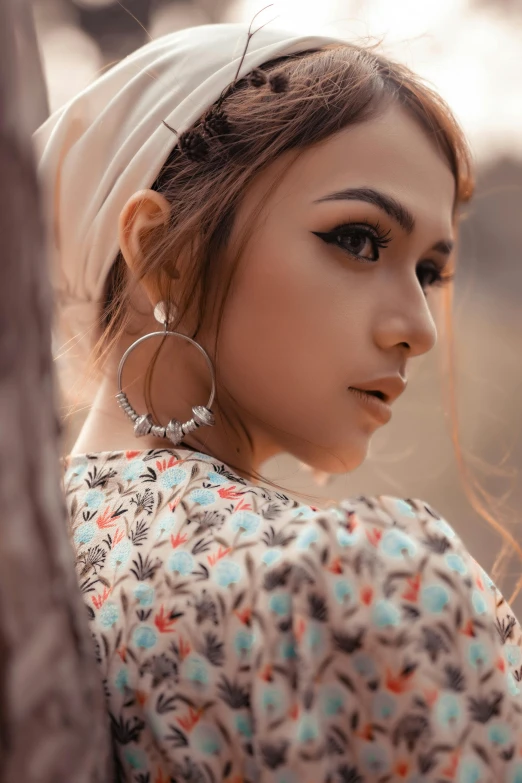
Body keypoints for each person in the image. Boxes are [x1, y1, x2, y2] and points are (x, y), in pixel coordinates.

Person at [35, 19, 522, 783]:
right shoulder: (359, 584)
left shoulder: (37, 569)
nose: (419, 329)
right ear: (168, 255)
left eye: (428, 271)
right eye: (359, 240)